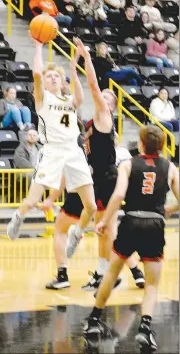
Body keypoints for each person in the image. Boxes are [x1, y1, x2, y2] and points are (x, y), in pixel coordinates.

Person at [43, 38, 144, 290]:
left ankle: (110, 272)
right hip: (92, 179)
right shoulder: (90, 122)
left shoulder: (103, 115)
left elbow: (91, 84)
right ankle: (119, 271)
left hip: (105, 178)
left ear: (111, 104)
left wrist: (86, 59)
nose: (103, 96)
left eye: (107, 96)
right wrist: (73, 64)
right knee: (103, 229)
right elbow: (78, 87)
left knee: (106, 229)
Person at [83, 125, 179, 351]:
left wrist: (104, 220)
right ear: (163, 145)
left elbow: (117, 196)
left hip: (131, 221)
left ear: (142, 144)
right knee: (152, 284)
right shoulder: (170, 168)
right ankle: (145, 329)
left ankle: (94, 319)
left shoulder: (128, 164)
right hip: (155, 224)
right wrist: (169, 210)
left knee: (113, 271)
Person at [7, 39, 96, 242]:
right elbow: (37, 74)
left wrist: (73, 68)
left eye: (57, 75)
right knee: (32, 200)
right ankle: (18, 216)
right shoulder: (42, 98)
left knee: (91, 206)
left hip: (73, 151)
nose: (54, 78)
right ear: (45, 82)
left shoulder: (69, 100)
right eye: (50, 76)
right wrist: (38, 46)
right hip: (52, 151)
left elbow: (80, 97)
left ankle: (77, 231)